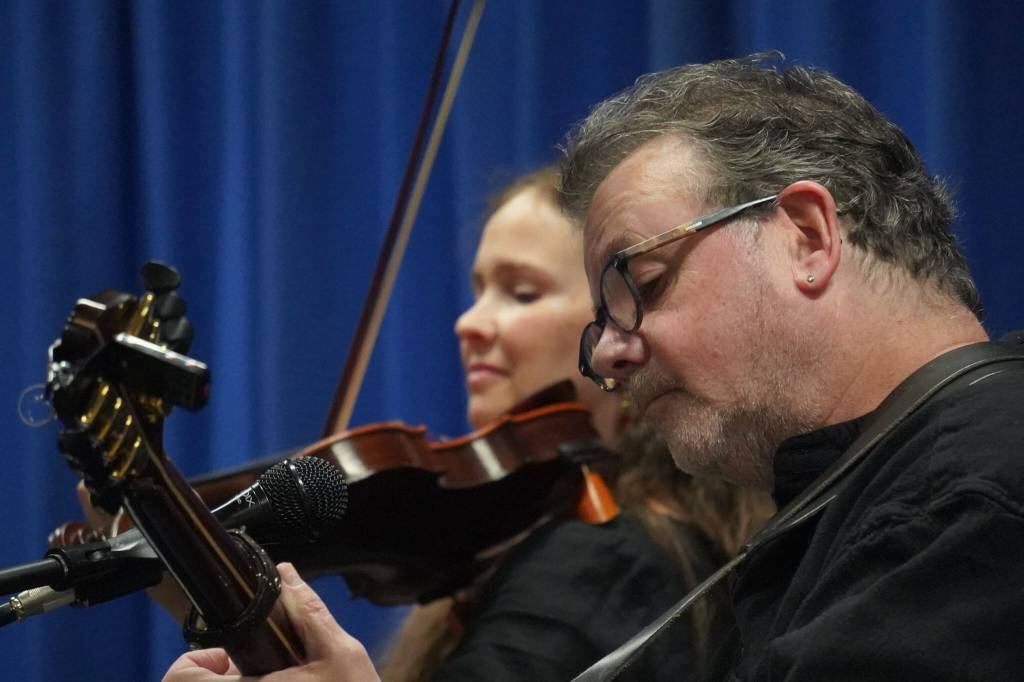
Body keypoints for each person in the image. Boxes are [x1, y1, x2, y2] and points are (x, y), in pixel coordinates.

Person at [161, 167, 771, 681]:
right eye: (479, 290)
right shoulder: (524, 538)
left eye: (522, 293)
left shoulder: (607, 559)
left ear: (619, 325)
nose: (469, 323)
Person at [561, 53, 1024, 679]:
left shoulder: (965, 504)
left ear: (808, 237)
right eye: (604, 320)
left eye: (644, 283)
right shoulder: (875, 496)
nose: (609, 354)